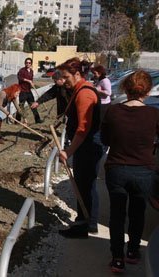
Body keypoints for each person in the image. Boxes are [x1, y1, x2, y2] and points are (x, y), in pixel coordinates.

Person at [101, 70, 159, 273]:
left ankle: (117, 258)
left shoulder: (113, 111)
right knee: (138, 212)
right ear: (148, 91)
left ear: (125, 88)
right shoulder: (154, 114)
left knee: (117, 215)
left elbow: (105, 140)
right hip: (144, 170)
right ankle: (133, 251)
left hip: (117, 168)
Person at [57, 57, 103, 239]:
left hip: (88, 145)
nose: (64, 80)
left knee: (84, 185)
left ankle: (84, 225)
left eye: (66, 76)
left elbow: (83, 128)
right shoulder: (78, 90)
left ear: (77, 74)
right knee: (85, 184)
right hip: (86, 145)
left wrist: (68, 151)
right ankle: (88, 223)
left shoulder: (85, 93)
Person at [17, 57, 43, 124]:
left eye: (29, 63)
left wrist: (32, 84)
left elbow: (31, 80)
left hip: (29, 91)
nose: (28, 64)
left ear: (31, 64)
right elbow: (20, 78)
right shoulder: (22, 70)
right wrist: (28, 80)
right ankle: (17, 120)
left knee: (33, 105)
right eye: (26, 63)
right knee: (21, 106)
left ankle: (37, 119)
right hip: (22, 91)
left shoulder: (31, 71)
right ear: (25, 63)